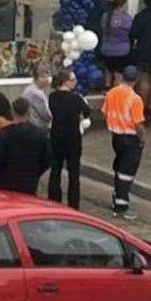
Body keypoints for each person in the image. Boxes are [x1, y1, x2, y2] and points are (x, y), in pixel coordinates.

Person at [101, 66, 146, 219]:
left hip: (116, 136)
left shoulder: (111, 93)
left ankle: (117, 196)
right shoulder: (135, 99)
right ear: (136, 80)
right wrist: (142, 139)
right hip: (130, 137)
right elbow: (139, 124)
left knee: (119, 168)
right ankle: (121, 206)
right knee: (126, 173)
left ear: (122, 77)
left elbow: (105, 111)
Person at [0, 97, 51, 195]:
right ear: (28, 113)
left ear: (12, 112)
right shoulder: (40, 134)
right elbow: (47, 158)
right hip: (29, 181)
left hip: (6, 182)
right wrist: (36, 173)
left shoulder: (3, 134)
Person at [48, 70, 90, 208]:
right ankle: (73, 204)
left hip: (56, 136)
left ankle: (54, 200)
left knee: (55, 170)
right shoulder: (76, 98)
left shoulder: (52, 97)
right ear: (66, 81)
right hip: (72, 139)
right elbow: (87, 112)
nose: (75, 82)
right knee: (74, 173)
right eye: (73, 80)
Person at [100, 0, 133, 87]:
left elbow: (102, 29)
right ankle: (116, 91)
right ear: (121, 6)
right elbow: (131, 31)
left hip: (106, 49)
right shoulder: (126, 19)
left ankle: (107, 88)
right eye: (126, 6)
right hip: (121, 51)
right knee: (118, 74)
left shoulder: (106, 16)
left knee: (108, 71)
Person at [21, 64, 53, 130]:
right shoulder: (35, 93)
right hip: (37, 127)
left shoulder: (36, 90)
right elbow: (45, 115)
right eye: (46, 77)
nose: (48, 81)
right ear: (40, 77)